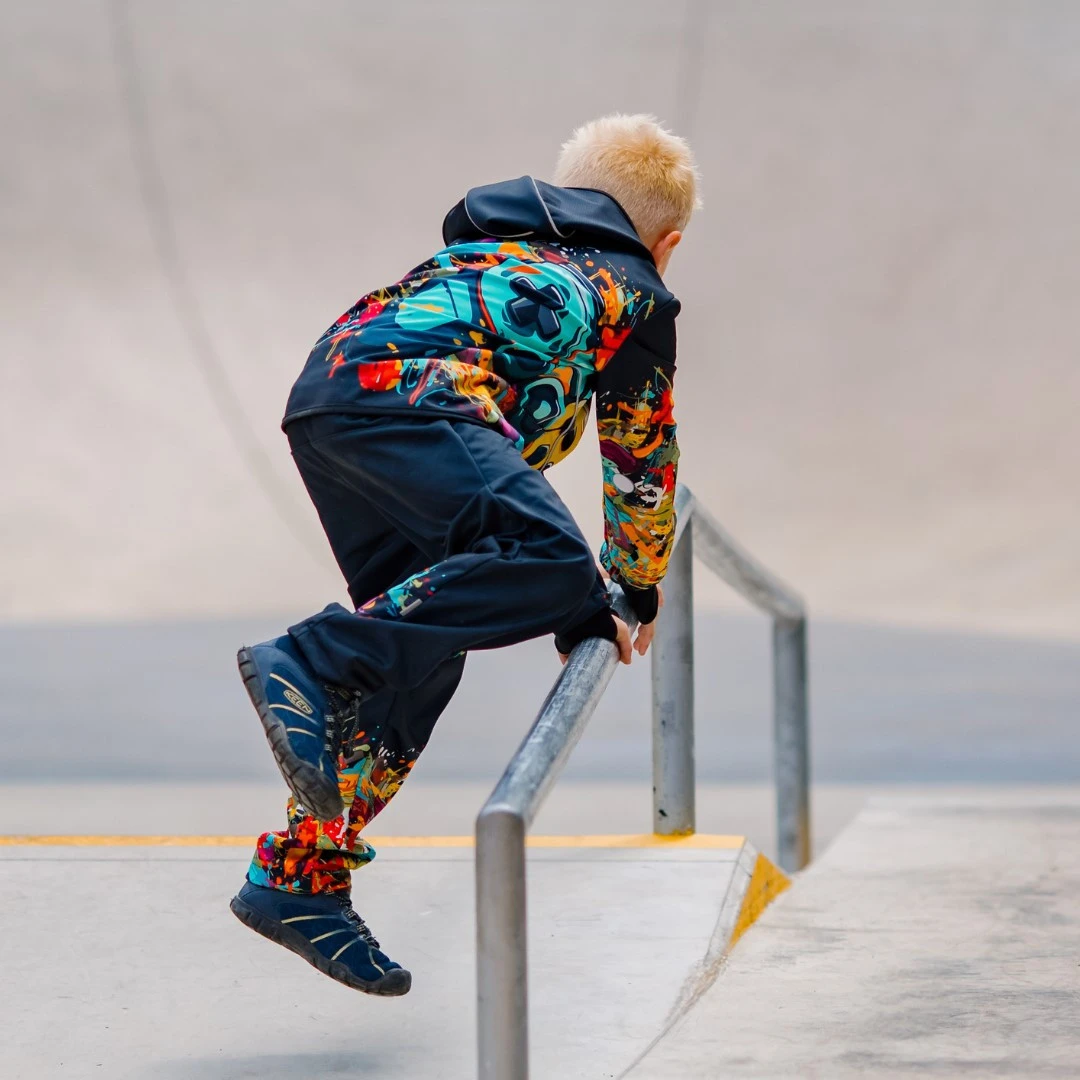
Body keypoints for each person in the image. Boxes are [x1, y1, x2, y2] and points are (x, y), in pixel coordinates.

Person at [229, 114, 700, 996]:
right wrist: (633, 585)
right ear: (665, 244)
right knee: (553, 558)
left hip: (331, 397)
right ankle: (314, 658)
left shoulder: (490, 246)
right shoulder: (634, 290)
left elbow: (488, 454)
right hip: (416, 398)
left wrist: (577, 605)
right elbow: (641, 456)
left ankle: (301, 874)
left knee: (419, 656)